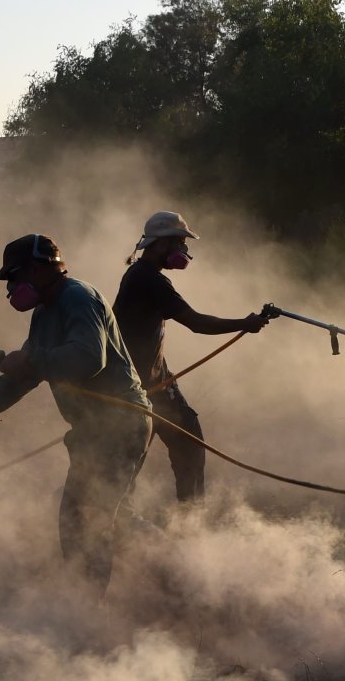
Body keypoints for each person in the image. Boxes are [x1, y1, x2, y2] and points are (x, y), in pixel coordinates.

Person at [0, 234, 152, 596]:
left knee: (84, 521)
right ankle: (168, 569)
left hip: (120, 424)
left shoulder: (77, 298)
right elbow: (24, 377)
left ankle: (90, 610)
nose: (11, 288)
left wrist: (30, 360)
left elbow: (88, 359)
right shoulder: (44, 312)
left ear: (40, 270)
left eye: (15, 276)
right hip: (95, 431)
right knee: (95, 516)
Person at [112, 211, 266, 502]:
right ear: (159, 244)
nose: (183, 250)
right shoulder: (149, 280)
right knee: (126, 466)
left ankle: (187, 524)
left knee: (188, 446)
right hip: (138, 389)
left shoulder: (141, 274)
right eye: (178, 243)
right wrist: (244, 324)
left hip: (156, 383)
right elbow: (196, 323)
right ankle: (104, 516)